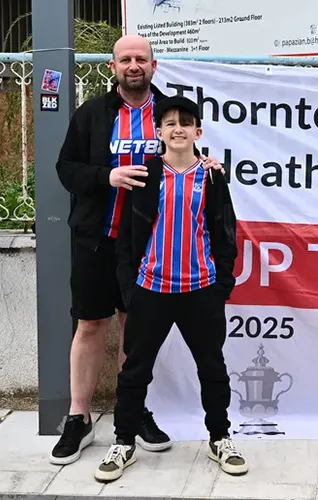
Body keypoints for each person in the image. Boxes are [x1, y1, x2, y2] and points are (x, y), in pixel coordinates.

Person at [51, 34, 224, 465]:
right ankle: (78, 417)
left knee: (135, 328)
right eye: (125, 59)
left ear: (153, 65)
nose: (133, 65)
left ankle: (133, 414)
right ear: (112, 66)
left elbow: (185, 156)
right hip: (97, 238)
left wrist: (208, 163)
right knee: (90, 324)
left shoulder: (168, 111)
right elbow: (66, 168)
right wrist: (106, 177)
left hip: (149, 248)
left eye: (141, 59)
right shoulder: (93, 113)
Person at [94, 95, 245, 482]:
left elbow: (226, 234)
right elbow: (127, 237)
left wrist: (221, 285)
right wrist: (129, 288)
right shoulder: (145, 174)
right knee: (134, 371)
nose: (178, 129)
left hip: (200, 290)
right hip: (151, 289)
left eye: (186, 123)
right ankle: (124, 442)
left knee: (212, 368)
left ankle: (220, 438)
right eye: (170, 123)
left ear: (198, 131)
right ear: (159, 132)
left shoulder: (212, 176)